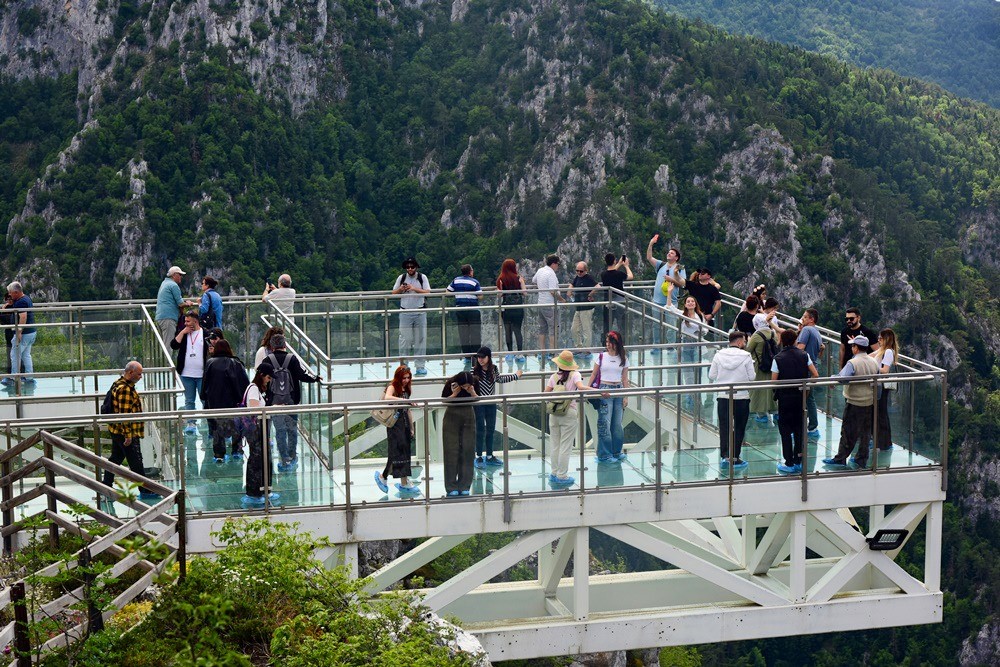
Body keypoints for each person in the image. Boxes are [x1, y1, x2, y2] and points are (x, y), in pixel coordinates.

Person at [257, 334, 320, 472]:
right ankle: (292, 457)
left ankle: (283, 458)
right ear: (284, 345)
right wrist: (315, 378)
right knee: (291, 430)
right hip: (291, 401)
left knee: (280, 430)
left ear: (272, 346)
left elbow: (261, 379)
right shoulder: (292, 359)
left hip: (274, 402)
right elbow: (301, 376)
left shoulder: (268, 360)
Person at [101, 361, 159, 501]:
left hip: (116, 430)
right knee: (136, 462)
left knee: (115, 459)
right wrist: (128, 436)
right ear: (130, 372)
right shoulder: (125, 389)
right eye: (139, 374)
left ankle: (106, 485)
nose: (141, 377)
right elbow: (124, 414)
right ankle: (145, 490)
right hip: (126, 433)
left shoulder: (118, 383)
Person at [823, 335, 880, 469]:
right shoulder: (873, 362)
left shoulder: (853, 363)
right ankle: (861, 459)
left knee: (848, 431)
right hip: (869, 401)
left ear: (855, 348)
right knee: (866, 432)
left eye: (853, 345)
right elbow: (878, 384)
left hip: (854, 401)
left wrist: (833, 379)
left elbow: (843, 378)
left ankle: (841, 458)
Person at [772, 329, 819, 475]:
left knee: (785, 431)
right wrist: (805, 388)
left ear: (783, 341)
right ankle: (799, 459)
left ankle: (789, 462)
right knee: (799, 430)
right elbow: (815, 374)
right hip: (800, 397)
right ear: (795, 340)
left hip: (785, 398)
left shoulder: (778, 358)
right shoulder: (804, 355)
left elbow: (774, 382)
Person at [710, 331, 756, 470]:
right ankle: (735, 457)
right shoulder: (746, 356)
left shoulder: (718, 355)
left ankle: (725, 455)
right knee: (740, 427)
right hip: (741, 396)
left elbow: (712, 375)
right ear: (740, 341)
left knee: (725, 426)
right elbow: (752, 377)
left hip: (723, 396)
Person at [472, 347, 522, 469]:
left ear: (488, 357)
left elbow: (500, 379)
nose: (480, 360)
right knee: (479, 430)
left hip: (491, 403)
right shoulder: (474, 370)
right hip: (478, 404)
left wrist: (515, 376)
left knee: (490, 430)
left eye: (483, 357)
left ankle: (489, 456)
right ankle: (478, 456)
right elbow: (469, 384)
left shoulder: (493, 369)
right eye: (479, 357)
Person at [201, 339, 250, 464]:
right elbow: (244, 382)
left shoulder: (210, 363)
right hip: (234, 401)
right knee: (237, 427)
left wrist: (204, 397)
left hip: (215, 401)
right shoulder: (236, 363)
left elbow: (205, 382)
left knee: (217, 429)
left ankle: (219, 454)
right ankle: (237, 451)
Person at [544, 350, 589, 486]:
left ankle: (554, 472)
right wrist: (597, 391)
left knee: (555, 444)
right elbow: (581, 387)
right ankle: (562, 475)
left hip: (554, 414)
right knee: (565, 445)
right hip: (569, 412)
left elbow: (545, 393)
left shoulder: (553, 377)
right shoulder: (575, 374)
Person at [374, 365, 419, 495]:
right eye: (404, 378)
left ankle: (404, 481)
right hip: (394, 423)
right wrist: (404, 400)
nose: (406, 380)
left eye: (408, 378)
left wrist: (411, 427)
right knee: (396, 451)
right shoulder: (393, 386)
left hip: (404, 421)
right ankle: (384, 476)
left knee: (405, 450)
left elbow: (408, 409)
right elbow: (388, 397)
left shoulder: (407, 389)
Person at [240, 369, 279, 507]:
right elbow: (255, 410)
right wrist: (270, 409)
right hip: (255, 430)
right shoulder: (253, 389)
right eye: (268, 377)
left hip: (259, 429)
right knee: (256, 459)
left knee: (263, 458)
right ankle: (254, 491)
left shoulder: (257, 389)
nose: (269, 380)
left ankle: (264, 488)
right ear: (261, 375)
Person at [589, 331, 629, 463]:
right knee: (604, 423)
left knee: (617, 424)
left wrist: (625, 396)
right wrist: (589, 390)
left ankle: (616, 451)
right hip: (604, 390)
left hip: (618, 390)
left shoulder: (623, 358)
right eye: (606, 342)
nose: (608, 345)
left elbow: (624, 379)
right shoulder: (601, 357)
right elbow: (594, 374)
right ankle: (605, 454)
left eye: (610, 342)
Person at [170, 311, 210, 434]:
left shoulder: (206, 333)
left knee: (205, 399)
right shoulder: (184, 333)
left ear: (195, 321)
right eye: (185, 321)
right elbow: (174, 345)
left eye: (188, 321)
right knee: (189, 400)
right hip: (186, 373)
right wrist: (182, 332)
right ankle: (191, 423)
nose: (185, 323)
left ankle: (209, 423)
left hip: (202, 374)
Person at [441, 371, 478, 497]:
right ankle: (451, 486)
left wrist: (472, 392)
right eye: (464, 386)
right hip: (452, 414)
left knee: (468, 449)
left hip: (468, 414)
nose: (466, 387)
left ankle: (465, 485)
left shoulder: (474, 382)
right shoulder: (450, 383)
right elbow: (444, 401)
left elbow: (477, 399)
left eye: (468, 385)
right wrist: (455, 393)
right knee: (451, 450)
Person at [392, 257, 431, 376]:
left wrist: (414, 289)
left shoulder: (422, 277)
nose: (410, 269)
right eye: (408, 267)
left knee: (420, 339)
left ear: (416, 267)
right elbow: (393, 293)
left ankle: (420, 366)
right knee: (404, 339)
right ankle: (404, 365)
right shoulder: (401, 278)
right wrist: (401, 289)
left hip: (419, 312)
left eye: (412, 267)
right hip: (405, 312)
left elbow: (428, 292)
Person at [646, 236, 686, 350]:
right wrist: (651, 244)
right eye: (668, 252)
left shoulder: (680, 268)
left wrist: (671, 279)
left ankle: (670, 346)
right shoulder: (661, 264)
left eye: (672, 253)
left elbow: (682, 284)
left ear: (676, 257)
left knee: (671, 326)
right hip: (657, 301)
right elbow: (649, 257)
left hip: (671, 302)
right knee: (656, 325)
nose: (669, 254)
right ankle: (656, 346)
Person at [796, 308, 826, 437]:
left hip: (804, 368)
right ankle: (813, 427)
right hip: (813, 366)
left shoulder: (807, 330)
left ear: (811, 319)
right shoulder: (816, 332)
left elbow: (800, 348)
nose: (802, 318)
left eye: (805, 317)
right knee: (810, 399)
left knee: (801, 398)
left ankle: (802, 426)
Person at [446, 264, 483, 363]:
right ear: (470, 271)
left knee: (463, 334)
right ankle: (475, 356)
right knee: (475, 333)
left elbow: (448, 292)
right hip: (472, 310)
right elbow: (480, 296)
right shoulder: (474, 282)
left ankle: (467, 357)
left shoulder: (456, 280)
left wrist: (459, 294)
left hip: (460, 310)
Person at [747, 313, 779, 425]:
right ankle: (775, 412)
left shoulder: (756, 335)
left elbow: (748, 350)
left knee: (758, 390)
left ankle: (761, 414)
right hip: (772, 366)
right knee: (771, 390)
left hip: (759, 367)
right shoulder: (772, 333)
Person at [872, 328, 899, 451]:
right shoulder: (882, 350)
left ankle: (884, 442)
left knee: (881, 413)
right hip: (878, 385)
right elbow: (868, 356)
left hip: (882, 385)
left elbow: (885, 370)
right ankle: (881, 441)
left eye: (880, 338)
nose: (878, 340)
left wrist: (872, 368)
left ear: (886, 339)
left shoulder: (888, 352)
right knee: (879, 412)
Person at [533, 255, 565, 355]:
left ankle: (542, 351)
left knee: (542, 328)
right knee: (553, 328)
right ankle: (553, 352)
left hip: (541, 303)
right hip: (550, 304)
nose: (558, 267)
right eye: (558, 264)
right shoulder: (551, 274)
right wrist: (562, 299)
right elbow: (552, 291)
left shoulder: (540, 270)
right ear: (554, 263)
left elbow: (534, 281)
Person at [596, 253, 633, 340]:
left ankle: (606, 344)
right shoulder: (619, 274)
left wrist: (619, 263)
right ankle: (623, 343)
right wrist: (626, 266)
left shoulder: (603, 274)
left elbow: (611, 272)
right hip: (620, 302)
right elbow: (630, 277)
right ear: (614, 261)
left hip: (607, 303)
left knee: (607, 326)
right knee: (622, 326)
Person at [5, 282, 36, 385]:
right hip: (31, 332)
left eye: (10, 293)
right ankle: (29, 377)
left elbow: (23, 317)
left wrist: (19, 332)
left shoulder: (21, 302)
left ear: (16, 292)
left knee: (14, 355)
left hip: (24, 334)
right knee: (26, 355)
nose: (10, 295)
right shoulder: (26, 298)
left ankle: (14, 378)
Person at [496, 259, 528, 361]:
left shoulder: (501, 278)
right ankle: (520, 353)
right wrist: (522, 283)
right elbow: (525, 293)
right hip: (518, 308)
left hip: (507, 308)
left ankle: (510, 354)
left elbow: (500, 294)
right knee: (518, 330)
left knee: (508, 331)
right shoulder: (518, 278)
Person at [155, 266, 194, 343]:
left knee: (163, 345)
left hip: (160, 317)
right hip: (169, 318)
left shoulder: (164, 283)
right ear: (174, 275)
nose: (181, 277)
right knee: (169, 344)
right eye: (180, 275)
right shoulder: (173, 285)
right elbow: (180, 304)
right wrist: (188, 304)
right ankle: (168, 356)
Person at [678, 296, 706, 399]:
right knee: (687, 370)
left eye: (692, 301)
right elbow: (669, 308)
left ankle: (696, 391)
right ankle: (690, 393)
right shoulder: (683, 315)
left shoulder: (700, 315)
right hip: (685, 344)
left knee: (697, 368)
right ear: (685, 305)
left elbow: (706, 329)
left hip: (696, 344)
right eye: (688, 302)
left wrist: (699, 333)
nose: (690, 303)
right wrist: (669, 294)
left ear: (695, 303)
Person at [568, 261, 598, 352]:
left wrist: (590, 295)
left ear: (586, 271)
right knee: (574, 329)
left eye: (581, 271)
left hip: (586, 308)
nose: (579, 273)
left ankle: (586, 350)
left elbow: (598, 286)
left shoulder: (588, 278)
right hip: (579, 307)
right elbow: (572, 284)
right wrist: (569, 290)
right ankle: (579, 348)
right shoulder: (577, 277)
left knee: (586, 329)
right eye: (577, 271)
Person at [0, 294, 14, 379]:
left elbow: (7, 320)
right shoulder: (7, 307)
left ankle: (13, 374)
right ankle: (9, 373)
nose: (9, 300)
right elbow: (2, 321)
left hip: (14, 333)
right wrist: (3, 310)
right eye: (7, 299)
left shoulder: (15, 307)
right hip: (8, 334)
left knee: (15, 354)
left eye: (10, 299)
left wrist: (3, 310)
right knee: (9, 353)